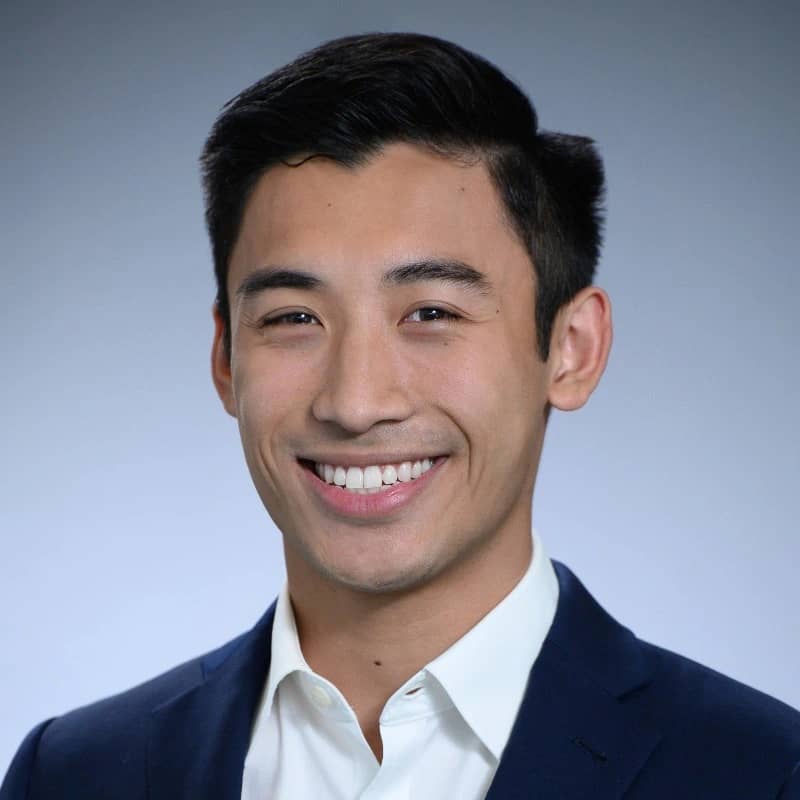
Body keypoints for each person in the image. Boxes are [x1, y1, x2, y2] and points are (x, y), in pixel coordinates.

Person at [2, 31, 798, 800]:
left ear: (571, 349)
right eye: (293, 318)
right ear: (225, 359)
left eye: (431, 313)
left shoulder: (764, 776)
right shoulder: (69, 776)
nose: (355, 403)